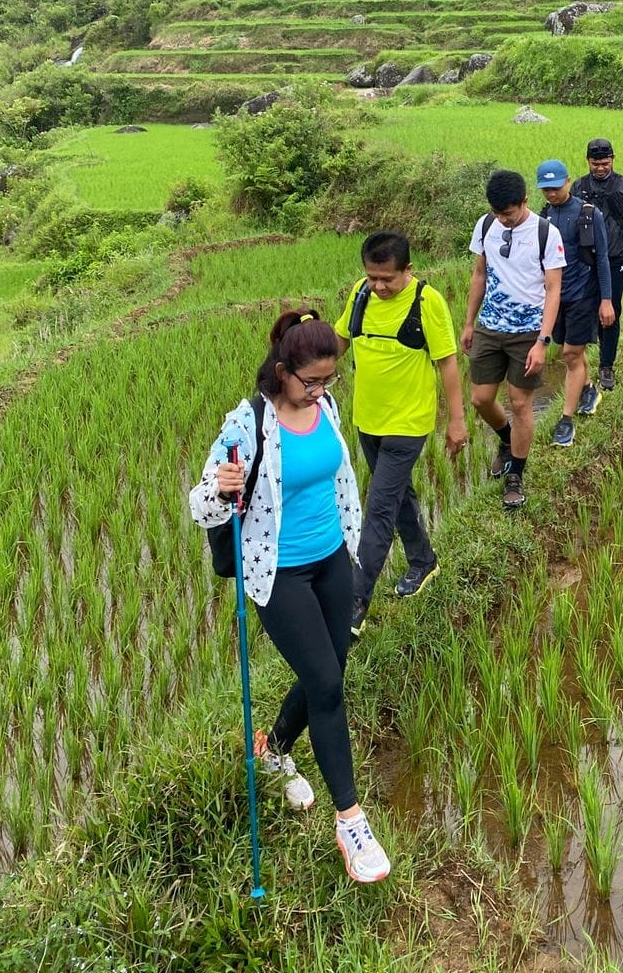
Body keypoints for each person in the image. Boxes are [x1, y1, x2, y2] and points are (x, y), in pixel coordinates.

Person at [188, 309, 390, 886]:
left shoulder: (324, 407)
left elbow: (340, 479)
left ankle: (273, 749)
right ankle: (351, 821)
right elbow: (200, 505)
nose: (322, 390)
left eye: (330, 380)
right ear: (282, 372)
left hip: (332, 561)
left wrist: (351, 550)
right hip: (279, 575)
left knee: (328, 669)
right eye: (312, 380)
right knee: (328, 685)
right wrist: (219, 490)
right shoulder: (246, 423)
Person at [334, 231, 467, 637]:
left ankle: (356, 602)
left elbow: (446, 364)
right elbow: (340, 341)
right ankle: (423, 560)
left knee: (378, 506)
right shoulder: (360, 294)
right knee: (396, 494)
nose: (378, 286)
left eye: (387, 279)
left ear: (408, 270)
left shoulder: (427, 302)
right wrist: (303, 367)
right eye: (372, 277)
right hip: (367, 419)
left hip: (408, 423)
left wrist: (457, 421)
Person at [462, 168, 565, 511]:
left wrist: (543, 341)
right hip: (490, 328)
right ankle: (507, 439)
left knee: (520, 403)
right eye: (497, 213)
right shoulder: (486, 226)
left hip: (528, 333)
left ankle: (515, 475)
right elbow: (479, 275)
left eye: (508, 213)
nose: (502, 220)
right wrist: (468, 323)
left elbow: (553, 291)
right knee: (480, 399)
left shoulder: (545, 233)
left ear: (524, 202)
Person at [536, 158, 615, 444]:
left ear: (568, 181)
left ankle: (566, 421)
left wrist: (606, 300)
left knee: (569, 354)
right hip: (555, 297)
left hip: (583, 294)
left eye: (555, 187)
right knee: (568, 348)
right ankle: (589, 388)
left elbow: (602, 258)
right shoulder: (542, 217)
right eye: (545, 189)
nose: (551, 194)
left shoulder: (587, 213)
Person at [572, 137, 623, 391]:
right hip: (586, 259)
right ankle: (579, 363)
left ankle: (606, 365)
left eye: (605, 163)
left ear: (613, 160)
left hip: (615, 256)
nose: (600, 168)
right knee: (585, 308)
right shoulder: (579, 187)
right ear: (588, 162)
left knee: (611, 309)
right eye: (596, 164)